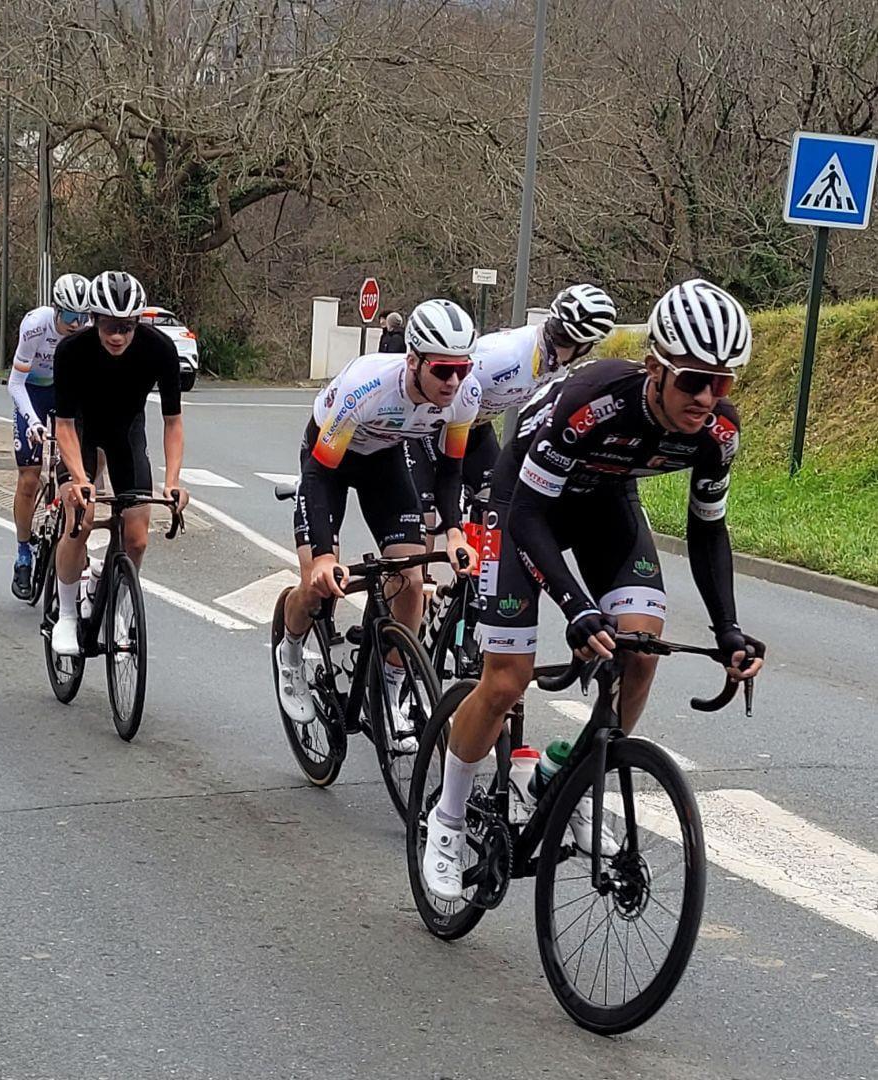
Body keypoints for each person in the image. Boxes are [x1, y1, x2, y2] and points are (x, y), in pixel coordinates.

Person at [422, 278, 766, 901]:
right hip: (524, 504)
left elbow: (708, 529)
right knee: (504, 681)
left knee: (639, 652)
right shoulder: (593, 400)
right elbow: (528, 515)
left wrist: (728, 629)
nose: (708, 398)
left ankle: (571, 778)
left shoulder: (718, 432)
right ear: (655, 368)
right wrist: (576, 607)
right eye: (693, 380)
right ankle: (445, 818)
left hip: (606, 503)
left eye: (724, 382)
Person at [275, 299, 481, 736]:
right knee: (316, 585)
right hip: (329, 462)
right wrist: (326, 556)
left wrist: (454, 533)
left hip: (385, 460)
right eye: (443, 370)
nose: (453, 381)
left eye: (462, 368)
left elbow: (450, 470)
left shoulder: (465, 396)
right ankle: (290, 651)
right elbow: (317, 473)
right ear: (413, 361)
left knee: (409, 578)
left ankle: (389, 687)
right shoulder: (366, 386)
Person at [48, 271, 190, 657]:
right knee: (83, 515)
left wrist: (173, 480)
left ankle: (110, 594)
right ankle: (66, 615)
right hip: (80, 429)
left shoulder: (159, 349)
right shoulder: (72, 351)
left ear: (138, 323)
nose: (117, 336)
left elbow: (173, 422)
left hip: (126, 431)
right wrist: (78, 478)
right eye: (109, 326)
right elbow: (62, 425)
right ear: (94, 319)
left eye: (126, 328)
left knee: (138, 537)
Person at [405, 285, 617, 527]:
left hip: (476, 428)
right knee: (426, 521)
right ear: (583, 344)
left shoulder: (557, 366)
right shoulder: (508, 357)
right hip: (431, 425)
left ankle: (478, 565)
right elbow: (445, 382)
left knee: (493, 510)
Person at [7, 273, 91, 600]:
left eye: (83, 317)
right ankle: (23, 554)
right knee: (29, 479)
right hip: (32, 393)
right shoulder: (36, 325)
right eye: (70, 316)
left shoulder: (84, 332)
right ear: (56, 310)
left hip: (65, 393)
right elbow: (15, 383)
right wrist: (31, 421)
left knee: (74, 471)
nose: (76, 324)